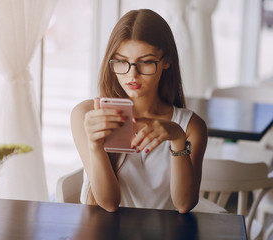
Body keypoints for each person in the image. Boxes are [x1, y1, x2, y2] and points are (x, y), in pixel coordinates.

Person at [71, 9, 207, 213]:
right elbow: (108, 203)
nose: (132, 74)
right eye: (121, 61)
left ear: (167, 61)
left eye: (145, 62)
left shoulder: (190, 126)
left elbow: (184, 204)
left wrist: (178, 138)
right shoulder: (87, 115)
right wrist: (95, 146)